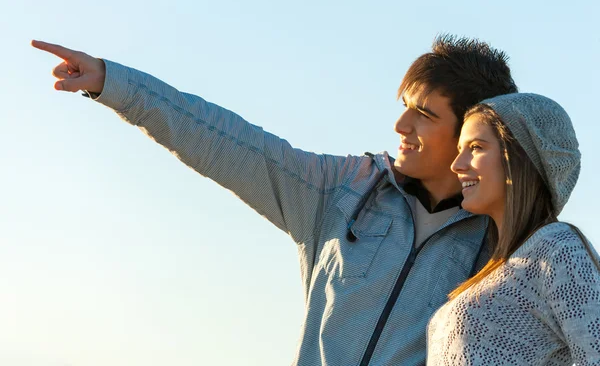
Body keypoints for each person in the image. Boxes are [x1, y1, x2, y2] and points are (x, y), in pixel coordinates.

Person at [32, 35, 518, 365]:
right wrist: (111, 84)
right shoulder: (344, 189)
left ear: (471, 133)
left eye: (425, 115)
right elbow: (228, 142)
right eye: (404, 108)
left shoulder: (508, 242)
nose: (401, 127)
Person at [427, 93, 600, 365]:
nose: (457, 164)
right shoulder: (493, 267)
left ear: (519, 158)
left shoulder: (557, 248)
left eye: (476, 147)